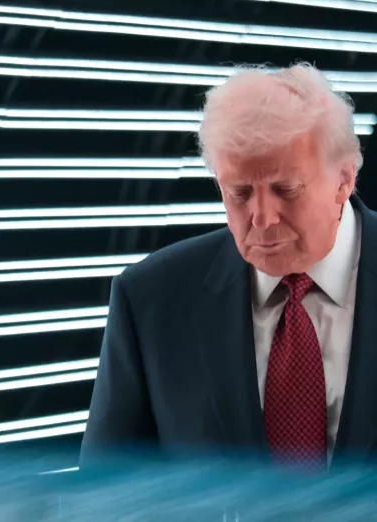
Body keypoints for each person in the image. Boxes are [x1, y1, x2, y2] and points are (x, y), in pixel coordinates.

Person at [80, 63, 375, 470]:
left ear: (345, 178)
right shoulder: (151, 300)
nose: (262, 217)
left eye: (286, 190)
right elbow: (105, 494)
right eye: (238, 193)